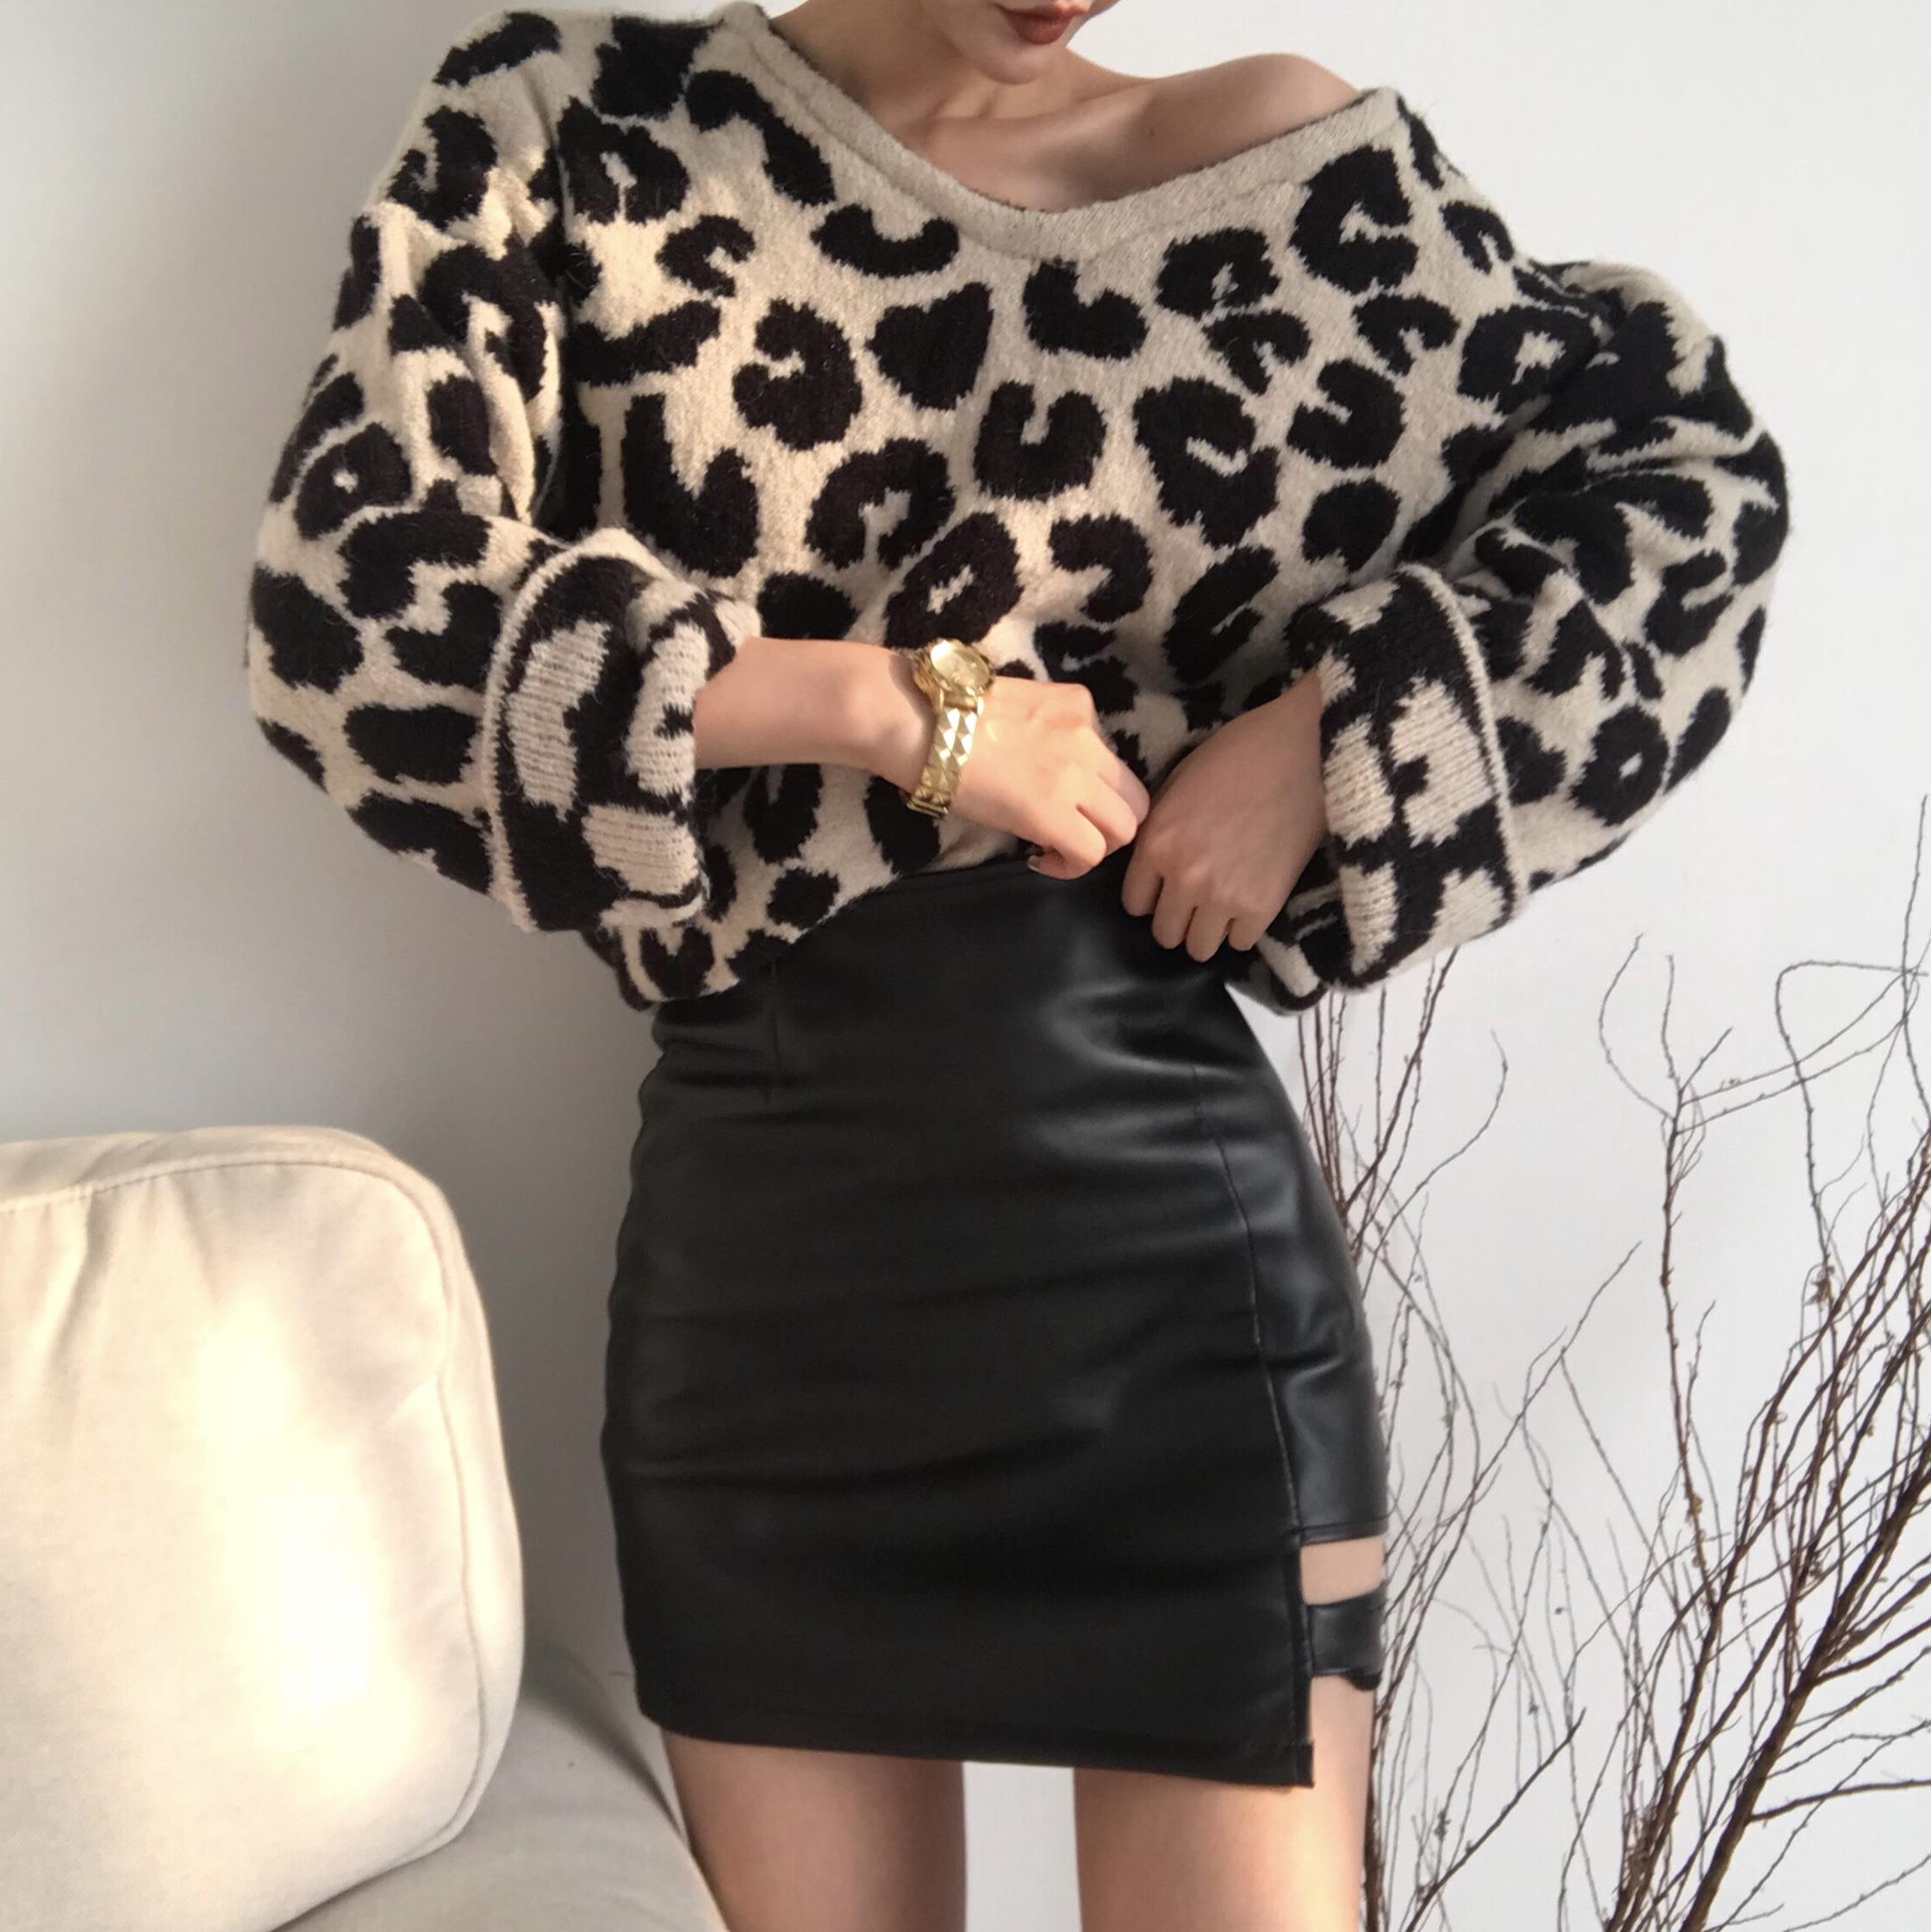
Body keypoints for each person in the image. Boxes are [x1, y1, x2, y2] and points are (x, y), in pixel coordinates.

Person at [240, 2, 1791, 1926]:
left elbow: (1680, 486)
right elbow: (347, 599)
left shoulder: (1287, 171)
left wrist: (1331, 734)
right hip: (770, 1305)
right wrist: (897, 709)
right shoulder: (580, 123)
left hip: (1171, 1279)